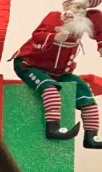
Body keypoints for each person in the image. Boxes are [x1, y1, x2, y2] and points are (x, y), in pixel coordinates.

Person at [8, 0, 102, 148]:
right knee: (50, 89)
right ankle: (53, 128)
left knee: (85, 92)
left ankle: (91, 137)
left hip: (60, 71)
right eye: (78, 7)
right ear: (66, 6)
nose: (81, 11)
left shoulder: (84, 22)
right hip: (30, 65)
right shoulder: (55, 17)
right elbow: (38, 35)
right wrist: (54, 37)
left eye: (84, 8)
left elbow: (98, 25)